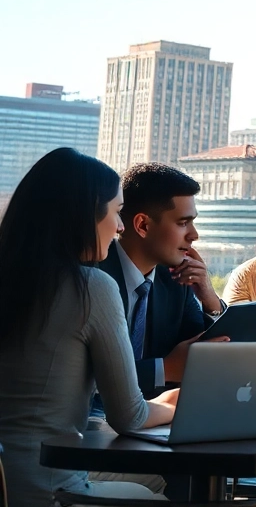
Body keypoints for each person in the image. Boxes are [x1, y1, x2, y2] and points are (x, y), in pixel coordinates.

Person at [0, 148, 179, 505]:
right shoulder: (91, 287)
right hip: (47, 485)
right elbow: (129, 415)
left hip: (6, 476)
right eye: (116, 211)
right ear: (83, 215)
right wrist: (175, 405)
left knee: (151, 483)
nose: (120, 226)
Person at [97, 163, 227, 402]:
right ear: (143, 225)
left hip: (158, 421)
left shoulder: (176, 280)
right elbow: (87, 377)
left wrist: (209, 299)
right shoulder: (93, 277)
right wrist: (164, 368)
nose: (194, 234)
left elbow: (206, 359)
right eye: (182, 222)